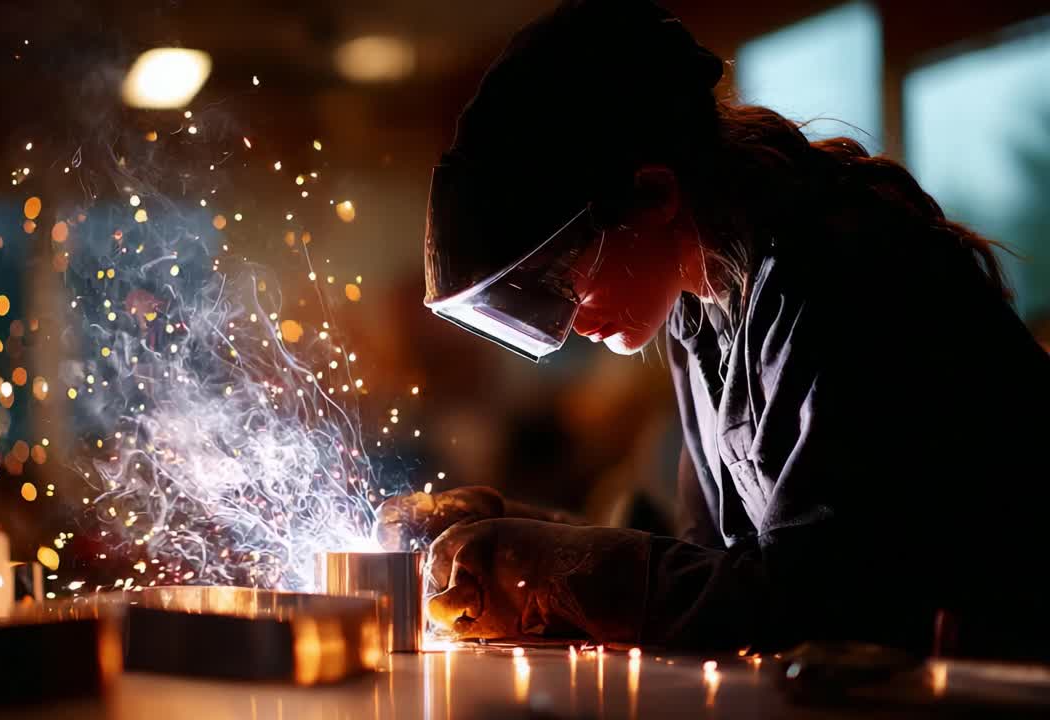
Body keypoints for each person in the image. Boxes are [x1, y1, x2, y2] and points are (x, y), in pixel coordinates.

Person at [377, 0, 1050, 659]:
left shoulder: (843, 273)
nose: (568, 319)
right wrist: (523, 538)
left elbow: (822, 601)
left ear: (655, 196)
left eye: (560, 279)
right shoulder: (702, 308)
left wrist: (562, 570)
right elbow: (718, 566)